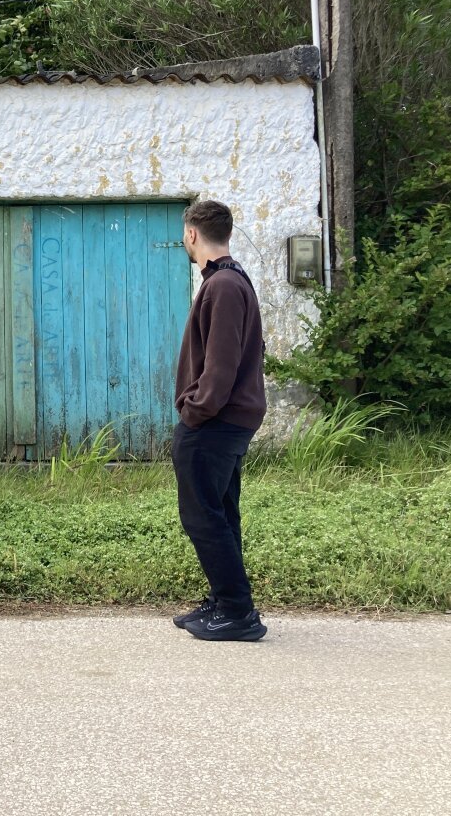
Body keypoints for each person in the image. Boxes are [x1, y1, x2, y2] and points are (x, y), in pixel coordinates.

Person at [170, 200, 268, 642]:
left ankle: (237, 612)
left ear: (193, 234)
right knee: (221, 513)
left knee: (202, 516)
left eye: (185, 235)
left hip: (215, 421)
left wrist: (195, 411)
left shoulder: (224, 285)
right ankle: (225, 601)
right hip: (225, 419)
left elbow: (221, 366)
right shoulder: (230, 280)